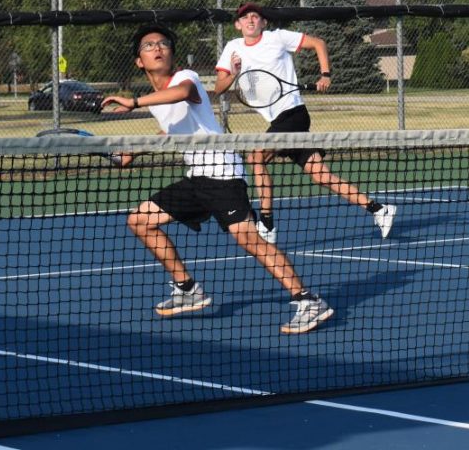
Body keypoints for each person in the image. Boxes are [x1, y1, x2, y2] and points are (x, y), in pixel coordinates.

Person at [101, 24, 333, 334]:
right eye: (148, 45)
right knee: (140, 220)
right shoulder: (158, 97)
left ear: (171, 54)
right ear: (139, 62)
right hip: (197, 178)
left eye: (163, 43)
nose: (157, 47)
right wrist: (131, 152)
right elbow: (172, 129)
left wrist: (134, 103)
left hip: (223, 174)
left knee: (248, 240)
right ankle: (186, 289)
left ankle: (308, 300)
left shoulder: (186, 79)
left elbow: (181, 95)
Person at [214, 2, 396, 244]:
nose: (250, 20)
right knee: (320, 176)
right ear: (237, 25)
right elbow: (218, 88)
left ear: (263, 22)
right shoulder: (232, 48)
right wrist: (234, 72)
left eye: (255, 17)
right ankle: (378, 209)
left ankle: (267, 223)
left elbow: (318, 43)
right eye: (245, 17)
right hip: (277, 119)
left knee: (256, 157)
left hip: (293, 113)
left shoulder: (278, 38)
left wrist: (325, 74)